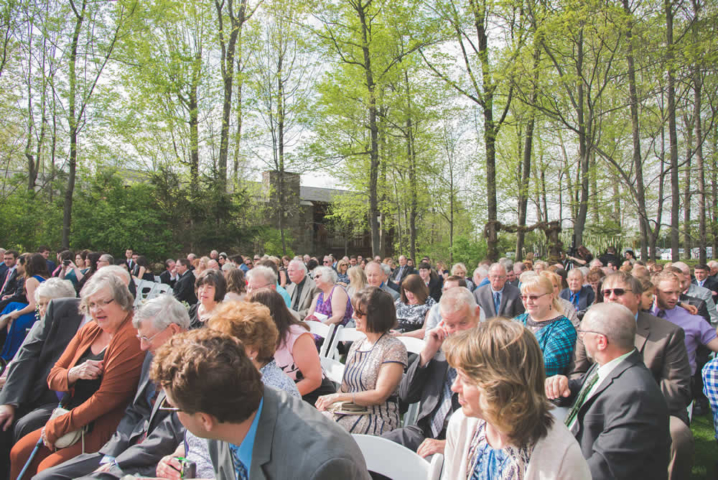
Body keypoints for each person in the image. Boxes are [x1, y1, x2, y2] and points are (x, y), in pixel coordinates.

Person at [149, 328, 371, 479]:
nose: (173, 413)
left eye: (172, 406)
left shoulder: (319, 467)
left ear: (205, 419)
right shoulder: (229, 414)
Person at [32, 295, 191, 480]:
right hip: (124, 449)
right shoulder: (153, 354)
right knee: (46, 477)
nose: (142, 346)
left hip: (156, 462)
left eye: (147, 338)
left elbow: (170, 432)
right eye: (140, 337)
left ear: (173, 330)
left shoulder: (194, 367)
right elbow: (135, 409)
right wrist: (111, 453)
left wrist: (118, 462)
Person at [9, 274, 145, 479]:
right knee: (19, 453)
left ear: (122, 300)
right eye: (91, 304)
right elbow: (53, 376)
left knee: (46, 468)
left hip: (101, 426)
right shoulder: (90, 329)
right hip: (68, 416)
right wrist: (72, 374)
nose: (96, 310)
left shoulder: (130, 335)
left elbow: (108, 399)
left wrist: (57, 427)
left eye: (103, 302)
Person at [156, 301, 301, 478]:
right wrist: (174, 459)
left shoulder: (275, 390)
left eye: (226, 343)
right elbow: (198, 439)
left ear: (252, 350)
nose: (216, 350)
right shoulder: (220, 379)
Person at [570, 271, 693, 480]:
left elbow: (677, 389)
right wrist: (562, 385)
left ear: (638, 297)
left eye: (618, 292)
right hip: (600, 398)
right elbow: (580, 372)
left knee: (677, 433)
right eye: (606, 292)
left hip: (656, 408)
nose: (611, 297)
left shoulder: (668, 333)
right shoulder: (592, 327)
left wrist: (631, 403)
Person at [443, 320, 590, 479]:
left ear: (500, 387)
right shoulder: (461, 424)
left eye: (465, 380)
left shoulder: (562, 456)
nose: (454, 387)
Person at [546, 303, 671, 479]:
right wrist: (562, 385)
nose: (580, 337)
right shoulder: (607, 365)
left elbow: (606, 466)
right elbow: (584, 390)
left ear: (601, 341)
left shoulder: (635, 395)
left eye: (583, 333)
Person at [383, 287, 480, 458]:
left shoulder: (490, 353)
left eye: (464, 323)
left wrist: (451, 444)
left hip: (465, 441)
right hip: (425, 430)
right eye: (450, 324)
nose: (457, 331)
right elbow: (406, 396)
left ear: (477, 314)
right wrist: (427, 354)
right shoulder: (439, 349)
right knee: (377, 449)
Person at [316, 287, 407, 436]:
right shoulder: (357, 345)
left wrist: (338, 397)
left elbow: (380, 395)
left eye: (358, 313)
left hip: (376, 418)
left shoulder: (394, 348)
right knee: (312, 419)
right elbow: (345, 389)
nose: (353, 316)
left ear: (375, 316)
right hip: (349, 411)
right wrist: (331, 405)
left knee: (320, 428)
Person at [250, 290, 331, 405]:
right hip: (277, 394)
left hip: (310, 397)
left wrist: (276, 400)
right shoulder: (262, 336)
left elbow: (313, 380)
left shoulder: (297, 335)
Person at [515, 274, 576, 377]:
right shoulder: (517, 321)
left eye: (534, 297)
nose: (528, 301)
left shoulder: (563, 327)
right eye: (524, 297)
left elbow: (549, 367)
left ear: (550, 297)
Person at [0, 253, 50, 360]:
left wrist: (17, 313)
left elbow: (33, 305)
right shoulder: (46, 278)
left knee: (13, 317)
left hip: (36, 314)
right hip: (44, 312)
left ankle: (11, 354)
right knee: (12, 305)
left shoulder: (31, 280)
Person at [674, 261, 718, 325]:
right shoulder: (662, 293)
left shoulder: (704, 292)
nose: (683, 276)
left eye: (686, 273)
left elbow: (713, 318)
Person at [393, 274, 436, 338]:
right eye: (406, 291)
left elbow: (426, 331)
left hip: (413, 340)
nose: (409, 294)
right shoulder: (399, 301)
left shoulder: (429, 303)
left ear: (420, 290)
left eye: (412, 291)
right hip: (393, 335)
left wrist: (402, 335)